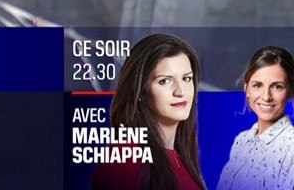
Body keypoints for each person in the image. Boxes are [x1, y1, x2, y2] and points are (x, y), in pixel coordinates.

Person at [90, 33, 206, 190]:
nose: (180, 91)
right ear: (140, 91)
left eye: (186, 79)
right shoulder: (127, 154)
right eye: (164, 81)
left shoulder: (183, 158)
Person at [217, 46, 294, 190]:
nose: (266, 96)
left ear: (289, 91)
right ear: (246, 88)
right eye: (257, 85)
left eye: (277, 87)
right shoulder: (242, 141)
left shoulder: (291, 147)